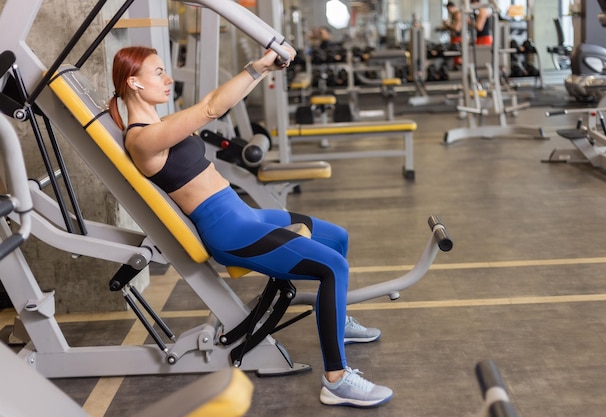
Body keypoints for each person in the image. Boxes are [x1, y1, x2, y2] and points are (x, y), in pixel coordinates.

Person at [108, 45, 393, 408]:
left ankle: (338, 323)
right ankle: (336, 380)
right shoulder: (143, 138)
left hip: (245, 214)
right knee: (334, 267)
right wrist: (257, 70)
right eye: (158, 72)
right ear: (133, 82)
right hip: (229, 230)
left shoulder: (159, 125)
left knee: (338, 239)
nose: (167, 79)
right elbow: (211, 108)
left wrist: (259, 68)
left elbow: (213, 99)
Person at [443, 2, 463, 66]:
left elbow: (457, 28)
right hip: (454, 38)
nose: (448, 11)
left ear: (451, 7)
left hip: (458, 39)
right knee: (454, 58)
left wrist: (448, 25)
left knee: (457, 58)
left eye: (448, 9)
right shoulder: (453, 14)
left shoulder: (458, 14)